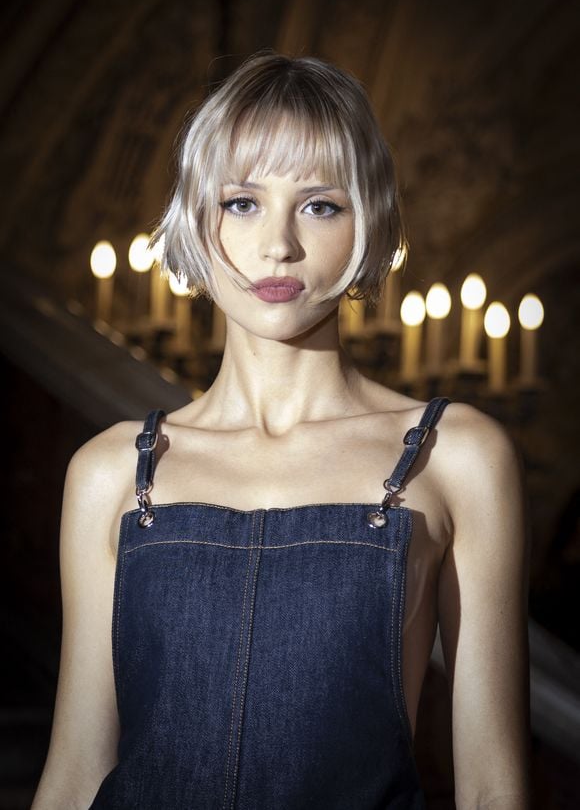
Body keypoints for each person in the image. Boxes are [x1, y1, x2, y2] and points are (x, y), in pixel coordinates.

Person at [32, 52, 530, 809]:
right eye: (241, 202)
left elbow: (494, 789)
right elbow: (73, 775)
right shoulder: (111, 472)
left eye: (320, 205)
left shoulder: (455, 456)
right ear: (198, 219)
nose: (278, 245)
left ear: (371, 219)